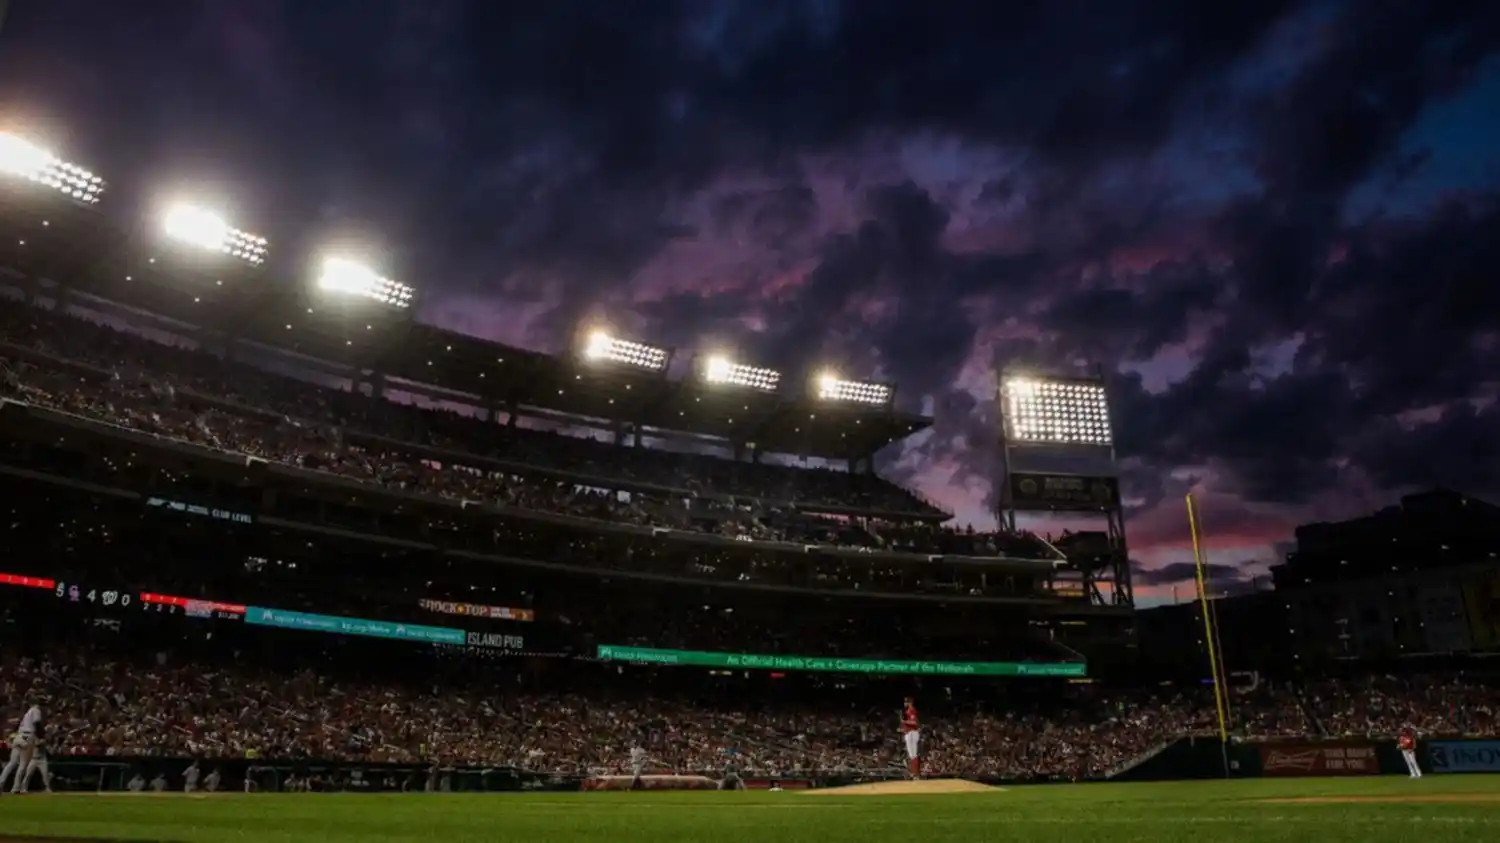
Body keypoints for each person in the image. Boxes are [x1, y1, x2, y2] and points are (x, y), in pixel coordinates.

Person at [1, 704, 42, 794]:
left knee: (12, 763)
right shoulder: (35, 710)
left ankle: (1, 783)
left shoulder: (25, 715)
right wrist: (41, 737)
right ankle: (16, 788)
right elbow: (37, 724)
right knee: (23, 764)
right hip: (27, 736)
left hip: (19, 736)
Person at [901, 696, 921, 779]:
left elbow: (914, 723)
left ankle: (916, 774)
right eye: (905, 702)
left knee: (913, 755)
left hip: (912, 733)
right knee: (912, 755)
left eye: (907, 702)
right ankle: (914, 773)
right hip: (910, 732)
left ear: (910, 703)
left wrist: (904, 722)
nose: (905, 703)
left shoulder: (911, 710)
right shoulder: (908, 711)